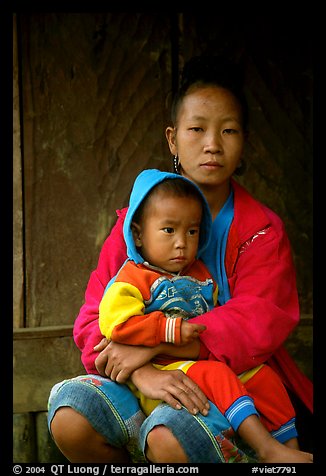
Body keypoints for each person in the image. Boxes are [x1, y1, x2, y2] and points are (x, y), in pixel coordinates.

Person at [47, 55, 313, 464]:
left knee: (171, 440)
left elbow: (255, 322)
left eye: (228, 131)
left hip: (233, 379)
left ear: (244, 141)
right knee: (71, 417)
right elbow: (92, 321)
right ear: (172, 139)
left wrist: (152, 347)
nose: (212, 144)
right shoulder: (135, 226)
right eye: (196, 129)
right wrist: (142, 370)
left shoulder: (262, 230)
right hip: (142, 381)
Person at [98, 168, 312, 463]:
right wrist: (170, 331)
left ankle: (290, 449)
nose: (181, 243)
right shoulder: (131, 278)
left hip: (200, 359)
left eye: (192, 231)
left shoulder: (198, 274)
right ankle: (266, 448)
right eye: (169, 230)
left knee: (265, 378)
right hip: (162, 368)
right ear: (138, 233)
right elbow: (116, 324)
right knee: (218, 375)